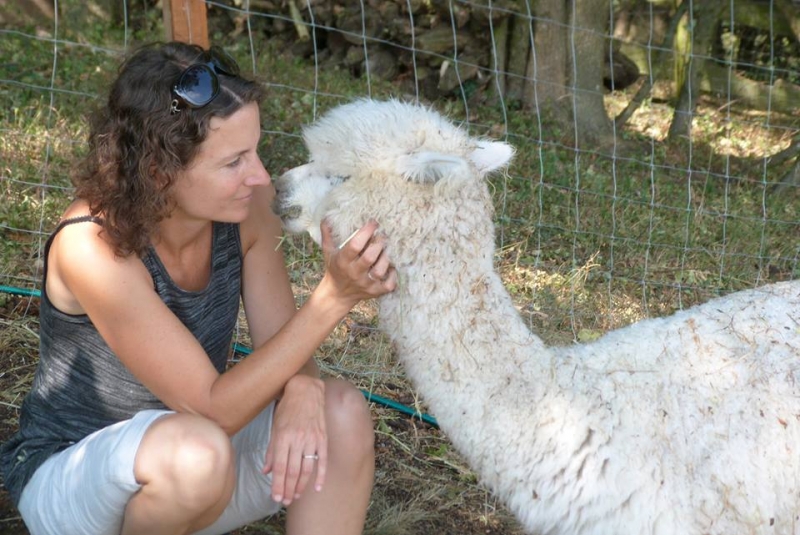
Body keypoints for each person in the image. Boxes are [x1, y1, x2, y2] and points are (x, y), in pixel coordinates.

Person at [0, 41, 396, 535]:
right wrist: (334, 297)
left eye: (255, 150)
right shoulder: (91, 244)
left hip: (194, 468)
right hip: (75, 484)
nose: (260, 175)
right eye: (233, 162)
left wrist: (304, 385)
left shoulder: (249, 206)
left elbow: (284, 347)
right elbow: (211, 408)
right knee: (199, 453)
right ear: (159, 171)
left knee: (341, 412)